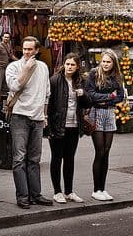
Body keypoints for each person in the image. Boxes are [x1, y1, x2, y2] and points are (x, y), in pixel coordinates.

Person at [5, 36, 53, 208]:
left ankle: (36, 194)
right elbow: (14, 87)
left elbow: (47, 93)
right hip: (19, 117)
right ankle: (23, 197)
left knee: (34, 159)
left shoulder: (43, 67)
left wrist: (45, 115)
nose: (26, 52)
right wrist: (26, 69)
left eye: (30, 49)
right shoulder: (13, 66)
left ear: (37, 50)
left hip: (38, 118)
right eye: (24, 49)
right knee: (19, 158)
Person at [47, 52, 90, 204]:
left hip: (74, 125)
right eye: (67, 64)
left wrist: (83, 94)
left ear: (77, 66)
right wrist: (49, 128)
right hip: (58, 125)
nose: (70, 67)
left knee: (70, 159)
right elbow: (49, 105)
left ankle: (69, 191)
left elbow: (88, 103)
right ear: (63, 64)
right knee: (56, 158)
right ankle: (57, 191)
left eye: (73, 65)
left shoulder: (80, 81)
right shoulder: (55, 80)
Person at [84, 49, 124, 201]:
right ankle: (96, 189)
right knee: (99, 151)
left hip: (110, 114)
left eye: (109, 62)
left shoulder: (117, 76)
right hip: (96, 113)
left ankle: (103, 188)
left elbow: (120, 96)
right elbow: (90, 94)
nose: (106, 64)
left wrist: (107, 100)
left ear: (113, 63)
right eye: (104, 61)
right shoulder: (94, 73)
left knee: (106, 151)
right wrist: (108, 96)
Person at [0, 32, 17, 108]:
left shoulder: (8, 45)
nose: (6, 38)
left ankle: (3, 102)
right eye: (5, 37)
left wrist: (19, 60)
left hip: (6, 68)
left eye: (7, 37)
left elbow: (11, 56)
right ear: (2, 37)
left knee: (5, 86)